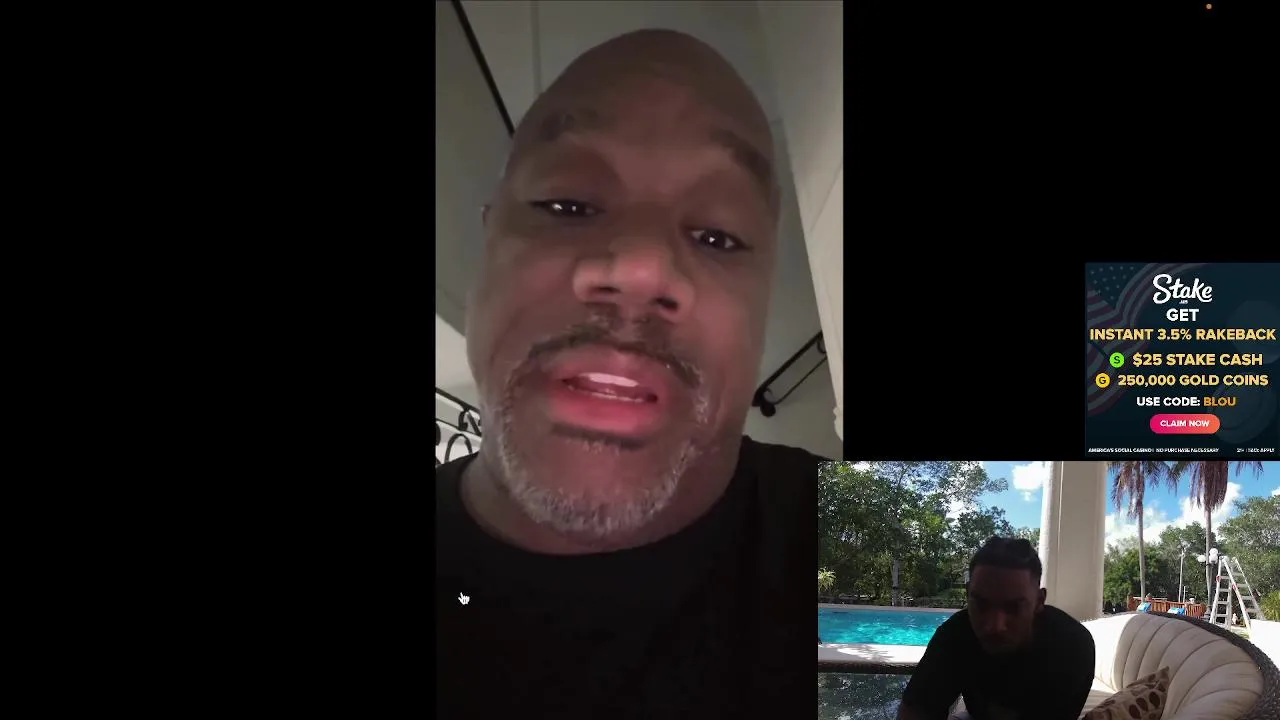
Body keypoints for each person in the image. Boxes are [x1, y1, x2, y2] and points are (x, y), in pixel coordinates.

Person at [435, 29, 824, 719]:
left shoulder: (825, 535)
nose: (641, 268)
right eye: (568, 205)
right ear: (487, 243)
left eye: (718, 236)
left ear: (763, 307)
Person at [897, 537, 1096, 720]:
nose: (995, 626)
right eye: (981, 605)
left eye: (1014, 608)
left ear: (1039, 601)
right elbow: (915, 712)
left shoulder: (1071, 647)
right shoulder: (954, 634)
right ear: (968, 594)